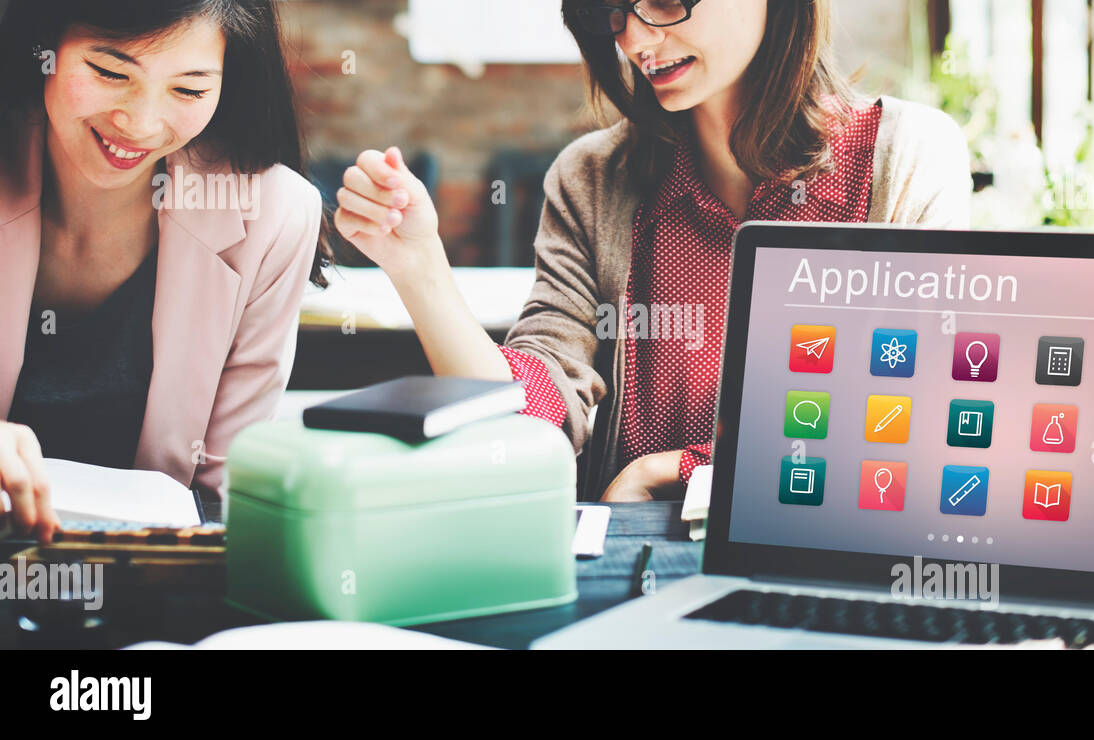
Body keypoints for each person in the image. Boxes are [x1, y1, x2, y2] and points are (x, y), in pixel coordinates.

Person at [333, 0, 970, 502]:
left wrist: (688, 474)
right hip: (624, 571)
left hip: (820, 570)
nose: (635, 40)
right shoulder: (590, 179)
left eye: (666, 0)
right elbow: (530, 413)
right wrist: (418, 269)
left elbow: (905, 433)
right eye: (614, 9)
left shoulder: (904, 160)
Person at [0, 0, 330, 542]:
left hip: (150, 589)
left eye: (190, 89)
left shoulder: (273, 211)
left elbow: (223, 495)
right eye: (110, 72)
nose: (141, 123)